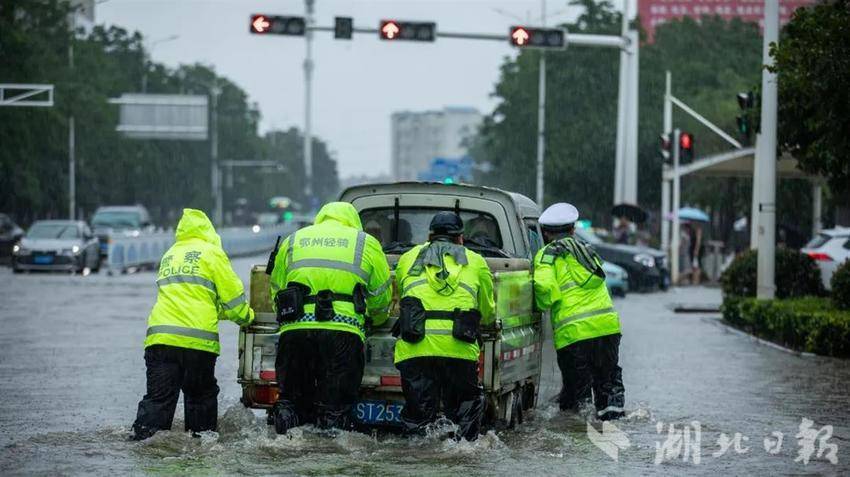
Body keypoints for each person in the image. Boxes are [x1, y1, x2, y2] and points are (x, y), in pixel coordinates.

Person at [268, 202, 391, 434]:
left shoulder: (294, 239)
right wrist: (375, 317)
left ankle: (283, 444)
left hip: (295, 332)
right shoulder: (365, 242)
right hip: (343, 333)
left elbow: (276, 287)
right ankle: (329, 455)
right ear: (353, 220)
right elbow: (381, 295)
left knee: (291, 400)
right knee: (335, 406)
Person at [131, 208, 255, 440]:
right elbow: (233, 299)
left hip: (160, 339)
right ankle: (201, 448)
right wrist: (246, 317)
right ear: (209, 231)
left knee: (158, 400)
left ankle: (143, 447)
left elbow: (188, 297)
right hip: (198, 342)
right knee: (200, 398)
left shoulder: (170, 254)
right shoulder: (212, 253)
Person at [393, 212, 495, 441]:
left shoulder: (408, 258)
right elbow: (487, 309)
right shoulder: (476, 261)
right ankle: (461, 454)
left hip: (415, 348)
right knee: (464, 409)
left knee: (418, 417)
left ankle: (416, 455)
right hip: (459, 349)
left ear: (429, 237)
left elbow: (402, 296)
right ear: (460, 239)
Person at [533, 203, 625, 421]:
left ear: (546, 234)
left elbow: (546, 291)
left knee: (578, 398)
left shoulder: (546, 255)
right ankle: (612, 424)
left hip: (573, 335)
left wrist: (541, 305)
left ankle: (581, 437)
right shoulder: (588, 251)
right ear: (573, 230)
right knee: (608, 384)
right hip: (607, 329)